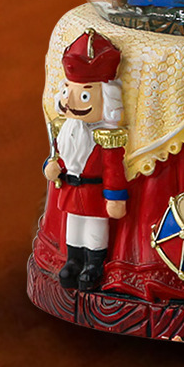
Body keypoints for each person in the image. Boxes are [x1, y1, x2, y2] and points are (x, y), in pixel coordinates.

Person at [44, 29, 128, 291]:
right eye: (67, 91)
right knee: (74, 226)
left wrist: (115, 197)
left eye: (84, 95)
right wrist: (52, 167)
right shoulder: (66, 130)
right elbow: (60, 156)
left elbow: (113, 169)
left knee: (94, 229)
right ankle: (73, 260)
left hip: (93, 192)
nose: (70, 102)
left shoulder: (106, 138)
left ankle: (93, 264)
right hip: (71, 189)